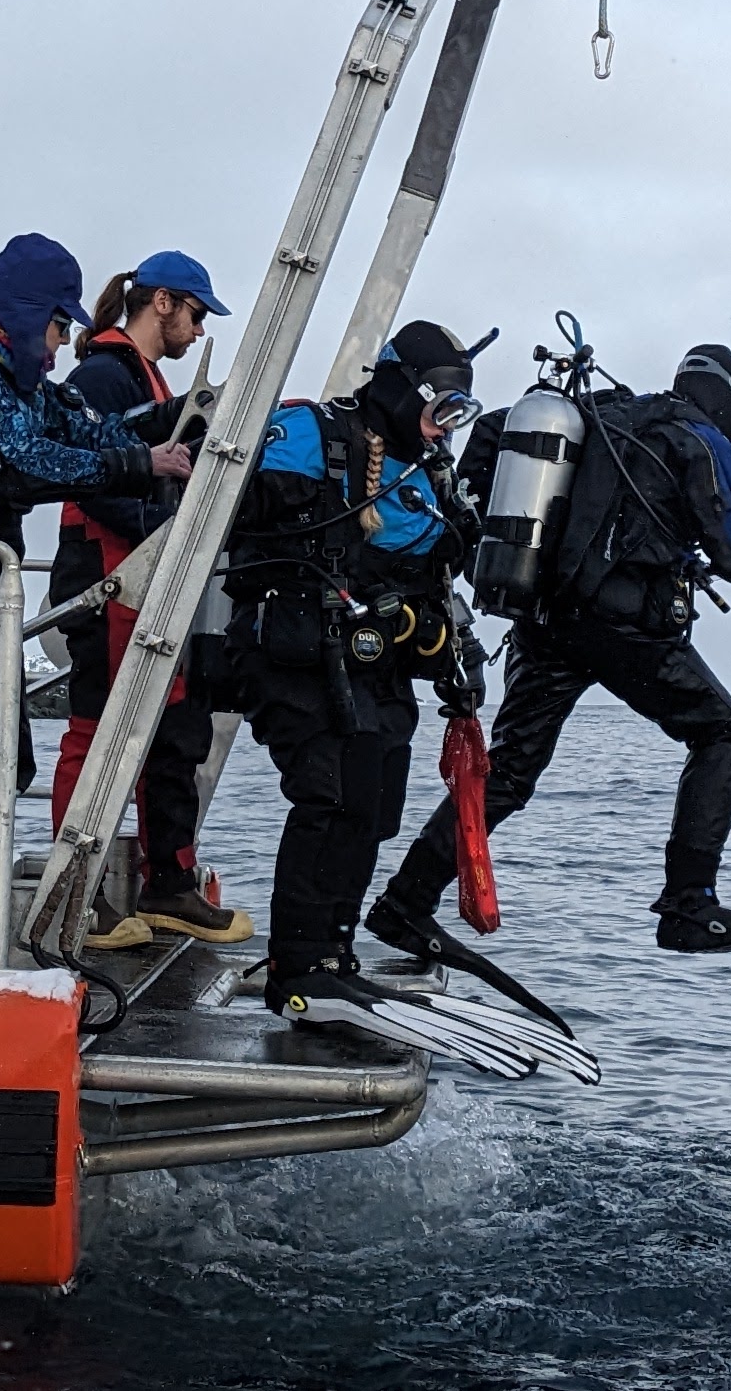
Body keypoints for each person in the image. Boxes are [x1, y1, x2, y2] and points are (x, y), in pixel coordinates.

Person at [373, 340, 731, 955]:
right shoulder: (697, 440)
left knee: (508, 771)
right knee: (724, 732)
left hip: (543, 617)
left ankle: (405, 902)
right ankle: (690, 903)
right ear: (727, 402)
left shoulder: (599, 417)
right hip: (624, 629)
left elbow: (492, 446)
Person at [0, 232, 196, 963]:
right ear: (26, 313)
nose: (62, 344)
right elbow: (18, 462)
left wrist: (182, 422)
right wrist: (138, 463)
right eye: (58, 326)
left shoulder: (16, 382)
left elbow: (80, 425)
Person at [226, 319, 490, 1028]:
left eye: (456, 418)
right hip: (294, 653)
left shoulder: (430, 477)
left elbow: (446, 572)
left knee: (375, 805)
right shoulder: (317, 433)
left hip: (374, 664)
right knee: (330, 796)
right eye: (439, 411)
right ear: (405, 389)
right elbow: (237, 516)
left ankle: (334, 953)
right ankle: (297, 964)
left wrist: (453, 654)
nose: (442, 431)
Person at [52, 250, 249, 946]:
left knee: (173, 734)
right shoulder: (100, 376)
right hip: (108, 573)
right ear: (161, 302)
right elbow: (89, 475)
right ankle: (71, 895)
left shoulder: (141, 378)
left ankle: (169, 884)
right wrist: (163, 532)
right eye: (196, 314)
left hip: (153, 574)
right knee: (97, 732)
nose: (198, 330)